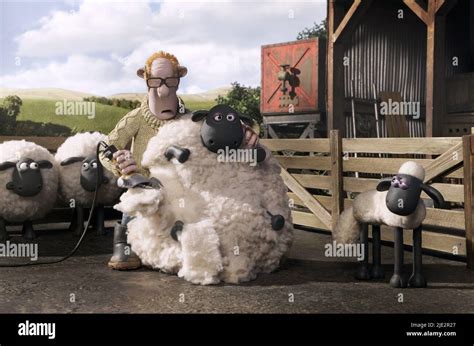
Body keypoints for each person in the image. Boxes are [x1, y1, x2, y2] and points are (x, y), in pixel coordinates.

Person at [100, 51, 259, 270]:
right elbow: (105, 148)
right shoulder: (135, 119)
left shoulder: (190, 120)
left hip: (180, 192)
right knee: (137, 205)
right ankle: (124, 241)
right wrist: (119, 164)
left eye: (170, 81)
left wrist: (242, 132)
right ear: (145, 78)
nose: (163, 89)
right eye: (155, 81)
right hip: (144, 189)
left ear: (179, 78)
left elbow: (216, 132)